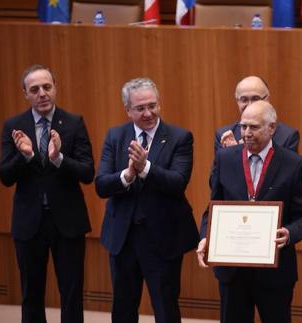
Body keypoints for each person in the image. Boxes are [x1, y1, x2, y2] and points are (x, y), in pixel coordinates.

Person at [197, 100, 302, 323]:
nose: (246, 133)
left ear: (272, 128)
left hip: (275, 273)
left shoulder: (293, 164)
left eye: (254, 127)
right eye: (243, 126)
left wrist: (288, 233)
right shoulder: (225, 158)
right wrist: (205, 237)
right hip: (232, 272)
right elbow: (213, 209)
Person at [95, 77, 199, 323]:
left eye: (152, 105)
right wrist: (128, 175)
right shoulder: (115, 136)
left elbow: (178, 182)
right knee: (123, 307)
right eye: (140, 108)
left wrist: (145, 168)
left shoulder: (179, 137)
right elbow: (101, 185)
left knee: (165, 307)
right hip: (124, 236)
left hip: (163, 237)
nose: (148, 112)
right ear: (128, 110)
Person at [0, 64, 94, 323]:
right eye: (35, 89)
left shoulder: (73, 123)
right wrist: (26, 156)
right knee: (31, 293)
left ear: (55, 89)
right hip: (29, 223)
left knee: (71, 294)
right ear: (25, 94)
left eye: (47, 87)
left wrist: (59, 158)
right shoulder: (14, 126)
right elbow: (5, 176)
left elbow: (87, 172)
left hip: (68, 222)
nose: (42, 93)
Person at [214, 75, 299, 153]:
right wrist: (232, 153)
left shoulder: (287, 136)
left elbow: (286, 169)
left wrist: (240, 151)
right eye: (244, 99)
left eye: (256, 98)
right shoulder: (224, 136)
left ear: (268, 99)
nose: (250, 105)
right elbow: (219, 169)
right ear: (237, 101)